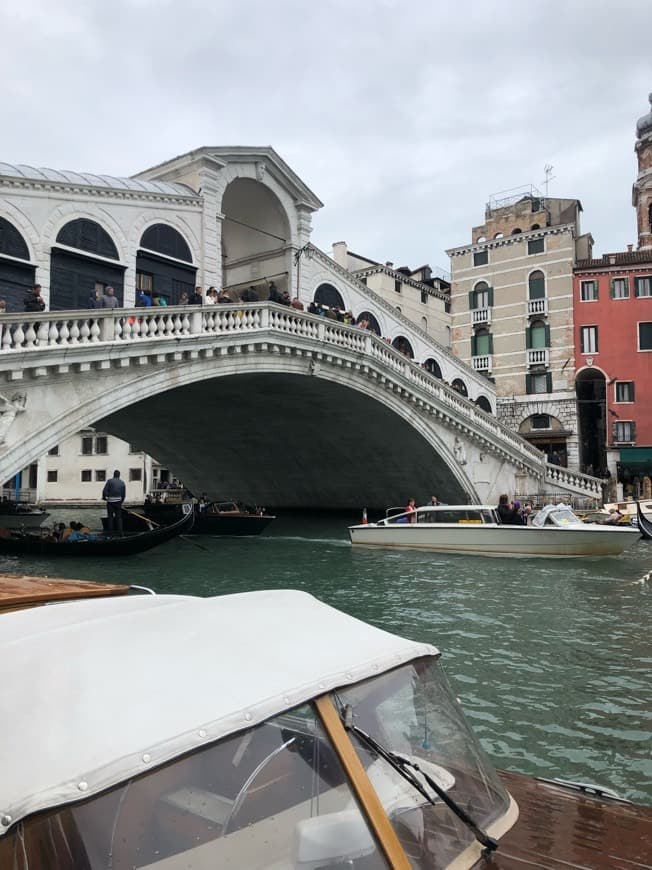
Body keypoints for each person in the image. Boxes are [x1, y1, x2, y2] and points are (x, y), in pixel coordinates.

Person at [102, 469, 126, 536]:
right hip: (118, 502)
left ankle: (110, 534)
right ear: (119, 475)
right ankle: (121, 533)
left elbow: (104, 491)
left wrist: (104, 497)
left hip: (110, 502)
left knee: (110, 518)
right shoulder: (122, 483)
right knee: (119, 518)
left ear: (114, 475)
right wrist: (121, 502)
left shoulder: (109, 481)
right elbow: (123, 495)